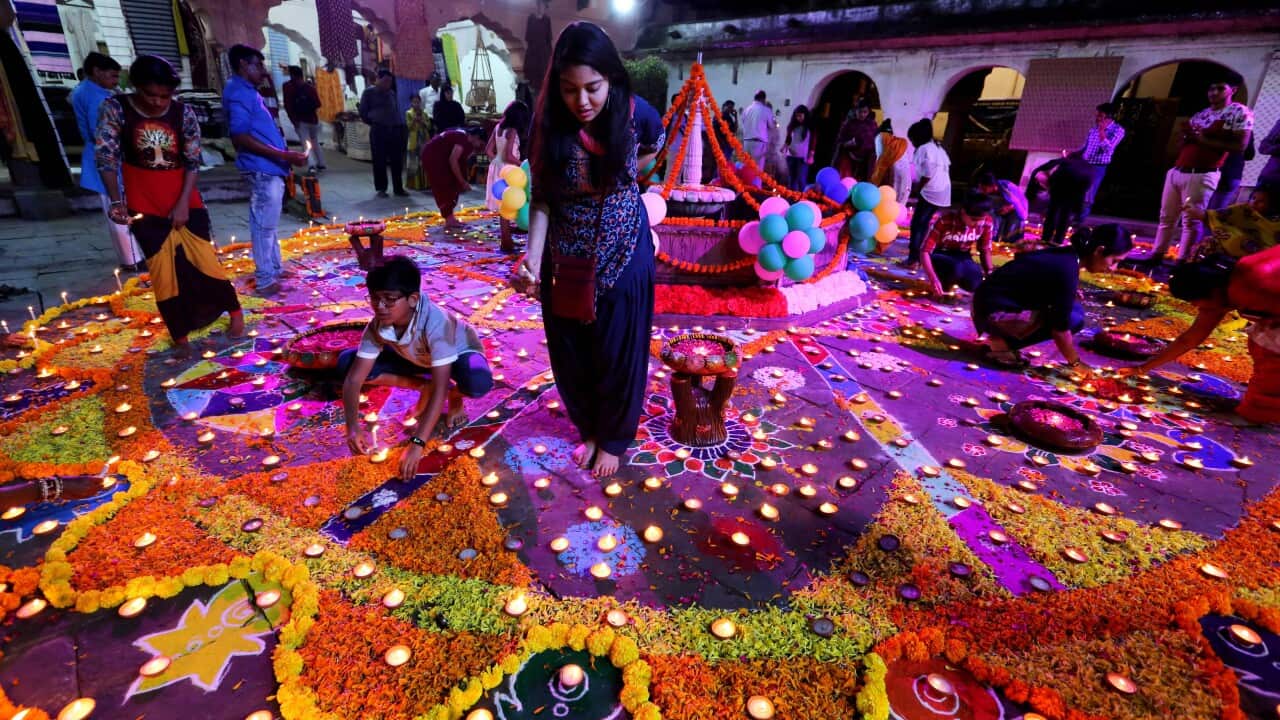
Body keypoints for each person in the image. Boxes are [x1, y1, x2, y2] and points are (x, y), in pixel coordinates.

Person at [514, 22, 659, 478]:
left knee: (618, 348)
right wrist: (532, 258)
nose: (582, 101)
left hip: (624, 248)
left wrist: (620, 180)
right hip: (566, 254)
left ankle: (614, 437)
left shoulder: (637, 114)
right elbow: (541, 198)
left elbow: (653, 150)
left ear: (611, 78)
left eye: (592, 88)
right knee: (573, 349)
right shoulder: (549, 122)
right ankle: (590, 429)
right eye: (569, 89)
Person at [96, 55, 244, 356]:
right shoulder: (115, 109)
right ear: (135, 87)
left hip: (184, 198)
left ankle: (236, 316)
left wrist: (182, 204)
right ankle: (180, 336)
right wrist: (116, 201)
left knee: (205, 262)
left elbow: (192, 161)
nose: (157, 102)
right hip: (144, 201)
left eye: (164, 96)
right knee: (163, 272)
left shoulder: (183, 113)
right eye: (150, 94)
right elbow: (106, 157)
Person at [340, 256, 493, 481]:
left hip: (459, 354)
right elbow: (354, 380)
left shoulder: (435, 323)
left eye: (389, 299)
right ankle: (423, 385)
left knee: (478, 383)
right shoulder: (378, 325)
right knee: (346, 363)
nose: (380, 307)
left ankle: (457, 395)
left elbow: (441, 388)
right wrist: (352, 426)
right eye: (374, 298)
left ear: (412, 299)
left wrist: (418, 443)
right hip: (417, 358)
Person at [972, 224, 1133, 370]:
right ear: (1099, 251)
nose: (1113, 268)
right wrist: (1076, 363)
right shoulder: (1066, 269)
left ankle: (1002, 339)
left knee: (1073, 309)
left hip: (987, 303)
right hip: (991, 313)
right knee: (1073, 319)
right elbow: (1060, 331)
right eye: (1114, 261)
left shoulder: (1068, 255)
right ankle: (1002, 344)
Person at [1142, 70, 1254, 264]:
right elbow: (1182, 143)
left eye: (1220, 88)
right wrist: (1187, 137)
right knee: (1166, 217)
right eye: (1211, 88)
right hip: (1178, 170)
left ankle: (1183, 261)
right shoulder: (1202, 113)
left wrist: (1202, 139)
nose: (1213, 92)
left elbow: (1240, 146)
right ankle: (1156, 255)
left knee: (1191, 220)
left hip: (1202, 173)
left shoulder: (1239, 111)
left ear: (1232, 90)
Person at [224, 44, 308, 297]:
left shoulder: (249, 91)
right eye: (258, 65)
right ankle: (265, 280)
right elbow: (240, 136)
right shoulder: (239, 93)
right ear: (242, 65)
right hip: (262, 169)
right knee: (263, 224)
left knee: (268, 223)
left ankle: (274, 267)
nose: (263, 70)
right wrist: (284, 155)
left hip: (271, 168)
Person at [71, 52, 144, 271]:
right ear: (97, 72)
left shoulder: (87, 91)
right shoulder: (96, 97)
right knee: (117, 206)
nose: (115, 82)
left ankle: (132, 255)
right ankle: (132, 259)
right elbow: (101, 132)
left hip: (104, 155)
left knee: (119, 205)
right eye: (112, 77)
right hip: (106, 158)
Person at [921, 192, 994, 296]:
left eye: (981, 220)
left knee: (975, 282)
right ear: (963, 212)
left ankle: (955, 278)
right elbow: (925, 251)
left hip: (962, 255)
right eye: (973, 220)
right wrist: (933, 279)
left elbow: (985, 249)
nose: (977, 224)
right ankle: (944, 282)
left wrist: (990, 273)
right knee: (956, 269)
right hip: (940, 254)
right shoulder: (944, 220)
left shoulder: (987, 222)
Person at [905, 118, 951, 269]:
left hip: (932, 191)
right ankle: (918, 258)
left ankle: (913, 260)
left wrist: (917, 189)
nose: (911, 143)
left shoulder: (925, 148)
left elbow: (927, 174)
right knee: (923, 224)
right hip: (943, 191)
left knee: (917, 225)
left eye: (912, 139)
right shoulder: (937, 147)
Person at [486, 100, 531, 251]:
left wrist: (496, 163)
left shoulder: (498, 127)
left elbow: (488, 150)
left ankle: (506, 238)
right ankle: (506, 240)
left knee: (502, 205)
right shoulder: (512, 131)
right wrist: (523, 164)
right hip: (509, 170)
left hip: (497, 168)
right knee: (507, 204)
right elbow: (509, 155)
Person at [422, 125, 486, 229]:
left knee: (452, 183)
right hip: (434, 157)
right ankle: (449, 219)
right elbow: (453, 160)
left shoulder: (465, 137)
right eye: (481, 143)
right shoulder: (463, 139)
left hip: (440, 156)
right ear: (476, 137)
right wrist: (462, 181)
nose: (480, 146)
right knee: (445, 185)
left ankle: (450, 218)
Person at [359, 69, 409, 198]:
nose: (388, 84)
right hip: (378, 130)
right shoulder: (369, 93)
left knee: (397, 160)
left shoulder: (392, 93)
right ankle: (381, 188)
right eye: (386, 81)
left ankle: (398, 188)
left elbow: (395, 110)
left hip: (395, 129)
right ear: (378, 79)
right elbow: (363, 112)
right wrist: (375, 122)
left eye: (390, 82)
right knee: (379, 160)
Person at [1073, 102, 1125, 217]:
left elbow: (1108, 149)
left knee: (1088, 194)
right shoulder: (1093, 129)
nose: (1097, 118)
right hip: (1084, 164)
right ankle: (1071, 217)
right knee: (1078, 191)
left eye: (1100, 116)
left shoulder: (1117, 130)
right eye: (1096, 115)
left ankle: (1079, 221)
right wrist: (1073, 154)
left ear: (1109, 116)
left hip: (1097, 167)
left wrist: (1102, 132)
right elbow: (1086, 147)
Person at [1039, 155, 1092, 247]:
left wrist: (1050, 185)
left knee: (1052, 214)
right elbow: (1085, 187)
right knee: (1064, 217)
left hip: (1061, 189)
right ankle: (1057, 240)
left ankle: (1046, 238)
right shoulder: (1085, 168)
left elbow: (1054, 178)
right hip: (1073, 192)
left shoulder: (1065, 164)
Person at [282, 65, 325, 171]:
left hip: (300, 121)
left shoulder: (288, 87)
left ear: (292, 75)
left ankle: (311, 165)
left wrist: (293, 119)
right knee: (314, 141)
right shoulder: (310, 88)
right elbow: (318, 104)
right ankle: (321, 163)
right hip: (313, 120)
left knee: (306, 143)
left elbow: (288, 105)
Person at [975, 171, 1028, 245]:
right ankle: (992, 238)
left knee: (1010, 231)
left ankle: (1008, 243)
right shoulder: (996, 189)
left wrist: (1008, 208)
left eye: (984, 188)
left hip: (1019, 211)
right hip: (1006, 209)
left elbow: (1017, 204)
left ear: (992, 186)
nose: (982, 191)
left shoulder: (1006, 187)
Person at [1207, 134, 1254, 211]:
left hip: (1211, 170)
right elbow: (1250, 154)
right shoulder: (1247, 129)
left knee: (1197, 209)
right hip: (1233, 172)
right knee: (1216, 213)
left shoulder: (1216, 125)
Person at [833, 99, 878, 179]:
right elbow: (840, 140)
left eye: (865, 112)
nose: (862, 114)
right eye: (860, 112)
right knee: (846, 179)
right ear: (855, 110)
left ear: (868, 112)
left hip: (867, 160)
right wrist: (848, 143)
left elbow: (876, 141)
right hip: (849, 157)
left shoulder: (872, 124)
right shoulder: (849, 123)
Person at [871, 119, 911, 203]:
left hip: (893, 166)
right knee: (903, 190)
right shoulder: (899, 141)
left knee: (893, 188)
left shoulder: (879, 137)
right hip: (904, 167)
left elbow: (880, 156)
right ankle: (900, 209)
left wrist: (876, 174)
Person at [783, 105, 814, 192]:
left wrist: (811, 154)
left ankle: (801, 198)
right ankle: (791, 198)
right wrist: (784, 146)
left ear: (805, 115)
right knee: (792, 179)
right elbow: (788, 139)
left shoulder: (809, 127)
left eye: (800, 116)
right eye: (796, 116)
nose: (798, 118)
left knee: (801, 179)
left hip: (802, 157)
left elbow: (813, 141)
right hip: (791, 156)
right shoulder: (792, 126)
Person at [404, 94, 430, 190]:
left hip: (424, 139)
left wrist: (423, 121)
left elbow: (429, 126)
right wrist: (414, 120)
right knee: (413, 162)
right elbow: (408, 127)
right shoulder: (408, 113)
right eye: (414, 102)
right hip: (414, 140)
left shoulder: (424, 113)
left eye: (418, 102)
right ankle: (414, 185)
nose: (416, 104)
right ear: (411, 103)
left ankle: (426, 183)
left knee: (425, 161)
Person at [739, 90, 771, 167]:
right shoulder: (766, 110)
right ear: (763, 99)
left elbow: (743, 123)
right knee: (757, 170)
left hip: (747, 143)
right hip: (759, 144)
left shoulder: (747, 110)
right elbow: (771, 126)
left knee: (746, 168)